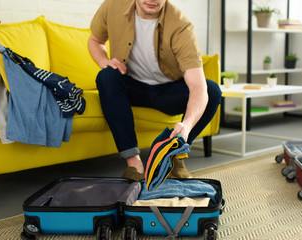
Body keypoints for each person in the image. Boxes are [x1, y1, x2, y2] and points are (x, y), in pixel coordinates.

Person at [88, 0, 222, 181]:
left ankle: (175, 155)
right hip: (132, 86)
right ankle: (134, 165)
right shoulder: (113, 6)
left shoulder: (181, 26)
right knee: (106, 76)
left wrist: (187, 125)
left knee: (212, 91)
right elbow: (96, 40)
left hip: (168, 92)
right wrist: (104, 61)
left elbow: (198, 86)